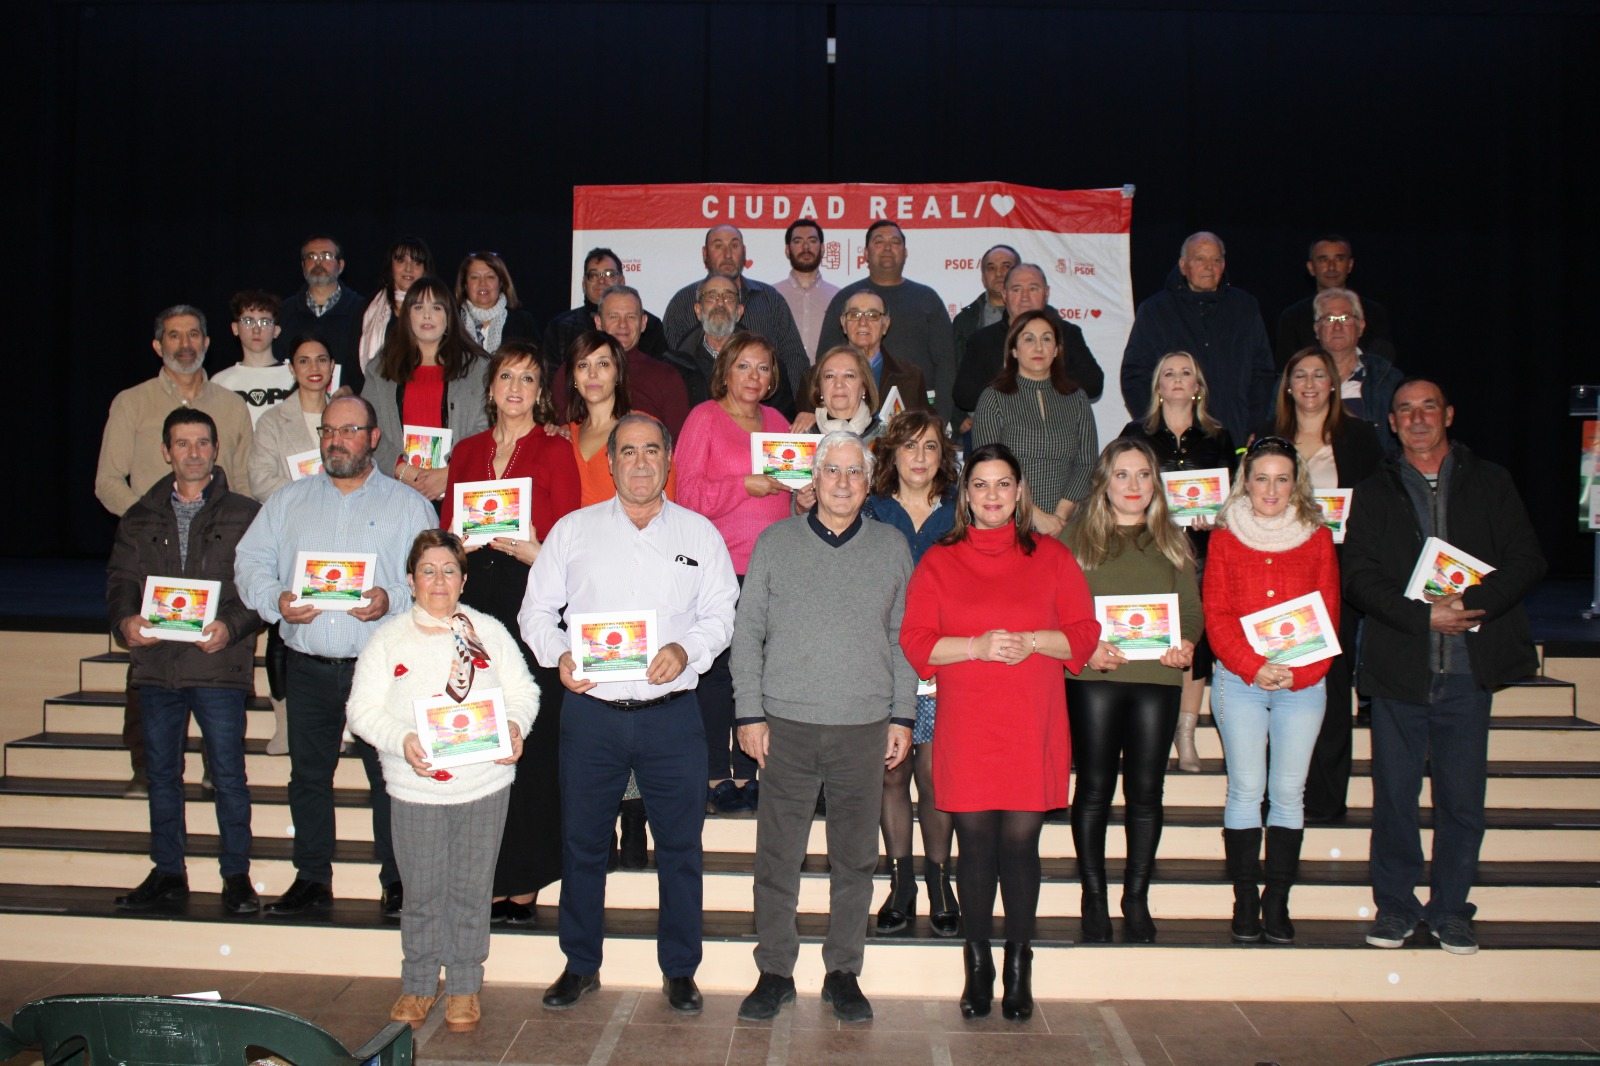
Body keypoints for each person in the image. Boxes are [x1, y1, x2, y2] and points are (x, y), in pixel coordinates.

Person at [520, 414, 738, 1015]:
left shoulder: (699, 535)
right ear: (609, 462)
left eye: (651, 451)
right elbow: (535, 612)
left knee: (680, 847)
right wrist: (559, 655)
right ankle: (580, 963)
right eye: (627, 452)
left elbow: (723, 613)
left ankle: (680, 970)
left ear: (669, 459)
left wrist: (686, 650)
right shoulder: (572, 531)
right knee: (583, 843)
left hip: (673, 717)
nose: (640, 463)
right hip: (592, 715)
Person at [1344, 379, 1545, 956]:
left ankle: (1453, 911)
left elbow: (1528, 558)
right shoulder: (1373, 490)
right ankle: (1396, 908)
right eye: (1405, 410)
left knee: (1461, 800)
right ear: (1391, 423)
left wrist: (1470, 606)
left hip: (1466, 670)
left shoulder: (1491, 481)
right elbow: (1358, 576)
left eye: (1428, 406)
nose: (1417, 418)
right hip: (1399, 669)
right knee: (1396, 798)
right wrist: (1421, 616)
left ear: (1449, 415)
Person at [900, 443, 1099, 1022]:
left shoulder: (1054, 557)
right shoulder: (940, 559)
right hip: (968, 724)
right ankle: (977, 961)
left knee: (1020, 844)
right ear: (966, 494)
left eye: (1003, 484)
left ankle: (1018, 963)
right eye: (980, 485)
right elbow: (916, 645)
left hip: (1030, 721)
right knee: (976, 846)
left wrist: (1033, 640)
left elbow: (1084, 636)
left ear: (1019, 491)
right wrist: (977, 647)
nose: (992, 495)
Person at [731, 431, 917, 1024]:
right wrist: (750, 712)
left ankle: (843, 971)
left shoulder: (892, 548)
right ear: (812, 480)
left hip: (864, 724)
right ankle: (775, 971)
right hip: (784, 723)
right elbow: (747, 635)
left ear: (869, 482)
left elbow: (902, 639)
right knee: (777, 854)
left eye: (854, 473)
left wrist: (902, 713)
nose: (842, 483)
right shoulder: (775, 543)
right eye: (831, 472)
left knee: (856, 856)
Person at [234, 395, 436, 918]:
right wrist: (275, 600)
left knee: (390, 777)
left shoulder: (408, 505)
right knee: (307, 778)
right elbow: (250, 561)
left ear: (373, 438)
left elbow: (433, 574)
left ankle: (398, 882)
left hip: (381, 670)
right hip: (308, 666)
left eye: (349, 431)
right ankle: (311, 878)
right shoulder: (287, 502)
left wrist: (392, 596)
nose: (336, 440)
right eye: (328, 431)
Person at [347, 530, 538, 1035]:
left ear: (464, 579)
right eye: (428, 571)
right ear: (410, 581)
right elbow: (361, 711)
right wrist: (402, 739)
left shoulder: (489, 632)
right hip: (417, 790)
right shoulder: (388, 639)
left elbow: (524, 692)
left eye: (449, 570)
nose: (439, 580)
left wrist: (515, 726)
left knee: (472, 892)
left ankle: (464, 986)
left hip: (484, 787)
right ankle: (417, 983)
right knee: (423, 892)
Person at [441, 340, 581, 924]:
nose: (517, 388)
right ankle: (483, 874)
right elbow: (445, 533)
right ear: (491, 388)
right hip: (472, 608)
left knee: (529, 743)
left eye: (529, 378)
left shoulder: (554, 450)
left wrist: (534, 551)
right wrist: (455, 545)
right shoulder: (467, 452)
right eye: (507, 378)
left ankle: (524, 879)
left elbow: (570, 545)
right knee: (479, 743)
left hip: (530, 605)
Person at [106, 408, 262, 916]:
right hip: (156, 667)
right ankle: (169, 871)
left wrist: (232, 627)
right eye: (182, 443)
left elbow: (261, 589)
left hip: (218, 667)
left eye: (201, 443)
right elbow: (121, 583)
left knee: (228, 775)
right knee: (162, 776)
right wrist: (127, 622)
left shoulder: (246, 514)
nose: (192, 453)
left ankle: (236, 876)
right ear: (166, 450)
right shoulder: (139, 515)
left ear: (216, 450)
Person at [95, 303, 254, 797]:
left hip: (216, 553)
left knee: (217, 663)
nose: (184, 344)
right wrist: (147, 529)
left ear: (207, 343)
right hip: (154, 558)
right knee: (148, 662)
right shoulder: (132, 402)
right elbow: (107, 482)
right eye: (173, 336)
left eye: (193, 335)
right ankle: (147, 770)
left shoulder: (230, 406)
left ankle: (215, 765)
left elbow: (244, 482)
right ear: (157, 346)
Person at [1062, 438, 1201, 943]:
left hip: (1157, 680)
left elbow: (1190, 610)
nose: (1134, 485)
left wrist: (1185, 643)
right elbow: (1059, 609)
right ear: (1105, 481)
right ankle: (1094, 896)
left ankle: (1135, 897)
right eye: (1123, 475)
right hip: (1094, 677)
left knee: (1146, 793)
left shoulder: (1172, 537)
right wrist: (1084, 650)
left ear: (1155, 483)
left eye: (1143, 475)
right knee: (1095, 789)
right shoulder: (1076, 538)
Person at [1204, 437, 1339, 945]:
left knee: (1286, 793)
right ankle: (1243, 900)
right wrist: (1252, 666)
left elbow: (1328, 614)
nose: (1271, 489)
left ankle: (1276, 901)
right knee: (1245, 789)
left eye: (1282, 478)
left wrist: (1298, 675)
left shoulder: (1318, 537)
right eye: (1262, 477)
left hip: (1302, 684)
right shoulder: (1224, 537)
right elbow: (1216, 615)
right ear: (1246, 481)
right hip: (1240, 681)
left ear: (1296, 484)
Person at [1262, 347, 1385, 823]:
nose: (1310, 383)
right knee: (1277, 685)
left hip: (1338, 576)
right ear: (1288, 386)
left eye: (1319, 374)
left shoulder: (1361, 438)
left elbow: (1376, 508)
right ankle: (1279, 795)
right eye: (1300, 376)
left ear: (1333, 383)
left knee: (1332, 687)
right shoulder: (1269, 438)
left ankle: (1328, 798)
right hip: (1278, 575)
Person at [675, 332, 795, 817]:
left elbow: (792, 492)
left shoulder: (779, 422)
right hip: (718, 568)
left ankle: (751, 771)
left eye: (763, 368)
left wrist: (801, 497)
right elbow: (685, 494)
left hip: (772, 571)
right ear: (725, 370)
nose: (754, 377)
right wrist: (744, 485)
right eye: (744, 366)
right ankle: (715, 772)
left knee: (762, 674)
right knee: (717, 672)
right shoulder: (704, 417)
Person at [862, 410, 960, 937]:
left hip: (946, 660)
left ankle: (940, 879)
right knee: (892, 772)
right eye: (909, 447)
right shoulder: (872, 511)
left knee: (935, 776)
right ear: (891, 455)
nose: (920, 458)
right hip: (887, 662)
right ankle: (902, 882)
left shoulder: (960, 511)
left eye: (930, 447)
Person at [1118, 351, 1236, 773]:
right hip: (1148, 548)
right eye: (1169, 373)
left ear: (1198, 384)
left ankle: (1185, 734)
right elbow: (1117, 484)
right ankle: (1142, 729)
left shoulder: (1219, 437)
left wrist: (1217, 514)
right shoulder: (1136, 432)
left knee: (1193, 638)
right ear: (1157, 386)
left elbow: (1235, 496)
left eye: (1186, 372)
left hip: (1202, 553)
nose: (1178, 379)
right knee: (1147, 631)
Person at [247, 336, 338, 755]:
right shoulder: (272, 421)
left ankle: (344, 720)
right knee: (284, 630)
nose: (313, 367)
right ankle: (285, 721)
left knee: (343, 620)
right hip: (293, 536)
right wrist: (306, 497)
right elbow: (260, 478)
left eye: (321, 359)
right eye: (304, 360)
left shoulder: (348, 412)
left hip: (344, 536)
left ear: (333, 366)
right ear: (292, 368)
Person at [1121, 232, 1276, 445]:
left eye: (1216, 259)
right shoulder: (1156, 310)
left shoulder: (1245, 308)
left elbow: (1263, 373)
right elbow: (1135, 375)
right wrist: (1155, 427)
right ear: (1183, 266)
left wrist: (1256, 426)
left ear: (1223, 265)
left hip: (1235, 435)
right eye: (1200, 259)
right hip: (1173, 440)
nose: (1209, 266)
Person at [971, 309, 1098, 537]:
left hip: (1069, 524)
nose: (1038, 347)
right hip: (1010, 524)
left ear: (1057, 350)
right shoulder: (994, 398)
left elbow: (1087, 464)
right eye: (1029, 339)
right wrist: (1036, 516)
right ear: (1014, 350)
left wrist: (1059, 517)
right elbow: (988, 468)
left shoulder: (1077, 398)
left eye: (1046, 339)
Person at [364, 276, 490, 506]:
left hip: (459, 489)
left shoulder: (478, 368)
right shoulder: (380, 369)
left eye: (437, 307)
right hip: (395, 489)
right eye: (418, 307)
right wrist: (403, 471)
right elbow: (369, 428)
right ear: (407, 315)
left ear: (449, 317)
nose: (427, 315)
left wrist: (450, 473)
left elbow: (486, 428)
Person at [816, 221, 958, 423]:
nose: (887, 247)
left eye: (895, 242)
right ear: (865, 252)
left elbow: (946, 362)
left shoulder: (927, 298)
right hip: (847, 416)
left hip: (913, 411)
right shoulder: (847, 298)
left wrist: (940, 419)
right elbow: (825, 359)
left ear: (905, 252)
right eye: (879, 241)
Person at [661, 224, 809, 401]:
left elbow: (794, 358)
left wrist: (780, 409)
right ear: (705, 254)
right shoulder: (683, 301)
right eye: (718, 246)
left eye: (734, 245)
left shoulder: (770, 300)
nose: (727, 254)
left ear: (744, 252)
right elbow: (668, 368)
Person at [953, 264, 1105, 425]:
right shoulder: (982, 339)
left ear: (1046, 293)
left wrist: (1045, 383)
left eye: (1033, 289)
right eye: (1017, 289)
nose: (1025, 297)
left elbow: (1093, 384)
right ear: (1004, 295)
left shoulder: (1067, 333)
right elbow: (964, 396)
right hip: (999, 430)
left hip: (1058, 428)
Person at [550, 286, 692, 435]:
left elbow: (681, 444)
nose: (622, 324)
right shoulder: (575, 371)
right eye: (613, 316)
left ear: (643, 323)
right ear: (598, 322)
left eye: (630, 316)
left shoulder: (666, 377)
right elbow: (560, 434)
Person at [563, 330, 678, 507]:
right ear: (574, 378)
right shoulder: (564, 435)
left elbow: (666, 506)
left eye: (603, 364)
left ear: (617, 373)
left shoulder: (646, 429)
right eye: (583, 365)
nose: (592, 374)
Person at [663, 275, 796, 419]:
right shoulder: (674, 366)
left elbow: (783, 424)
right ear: (698, 311)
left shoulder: (766, 363)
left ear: (739, 312)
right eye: (711, 297)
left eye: (728, 298)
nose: (720, 303)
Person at [801, 289, 932, 417]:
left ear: (885, 325)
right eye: (854, 315)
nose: (863, 322)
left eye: (873, 316)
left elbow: (925, 428)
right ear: (843, 323)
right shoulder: (814, 377)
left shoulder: (910, 377)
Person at [1275, 236, 1394, 368]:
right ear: (1311, 267)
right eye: (1323, 259)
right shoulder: (1292, 317)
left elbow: (1382, 367)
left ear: (1350, 265)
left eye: (1339, 259)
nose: (1331, 267)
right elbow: (1285, 370)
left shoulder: (1374, 313)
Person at [542, 247, 668, 371]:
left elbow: (660, 375)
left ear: (622, 281)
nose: (601, 280)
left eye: (609, 274)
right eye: (594, 275)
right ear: (584, 284)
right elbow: (551, 378)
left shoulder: (651, 326)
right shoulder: (560, 327)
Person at [1311, 288, 1403, 451]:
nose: (1337, 327)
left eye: (1345, 318)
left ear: (1361, 326)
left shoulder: (1386, 379)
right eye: (1330, 318)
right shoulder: (1296, 379)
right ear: (1317, 329)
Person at [276, 233, 366, 393]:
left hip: (346, 407)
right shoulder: (284, 312)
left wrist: (351, 389)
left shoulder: (362, 310)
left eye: (326, 255)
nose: (318, 262)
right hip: (294, 407)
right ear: (303, 265)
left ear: (341, 265)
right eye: (311, 256)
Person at [212, 290, 294, 426]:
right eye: (248, 321)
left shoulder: (294, 376)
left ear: (276, 331)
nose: (256, 330)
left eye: (265, 322)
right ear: (235, 328)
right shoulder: (220, 382)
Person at [358, 236, 434, 373]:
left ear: (425, 270)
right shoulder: (368, 307)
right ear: (390, 266)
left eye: (416, 262)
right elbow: (352, 361)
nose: (408, 268)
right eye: (401, 260)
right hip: (375, 389)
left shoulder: (438, 308)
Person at [769, 219, 839, 364]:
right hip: (782, 382)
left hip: (827, 381)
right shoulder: (771, 295)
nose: (806, 247)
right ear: (787, 250)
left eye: (812, 241)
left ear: (823, 249)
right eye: (798, 241)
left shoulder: (839, 297)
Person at [791, 345, 886, 446]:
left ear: (864, 387)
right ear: (820, 388)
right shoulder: (801, 439)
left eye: (849, 375)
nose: (839, 384)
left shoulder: (887, 438)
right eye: (830, 376)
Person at [455, 251, 539, 356]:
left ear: (501, 283)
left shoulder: (523, 322)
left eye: (490, 277)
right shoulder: (451, 321)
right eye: (475, 277)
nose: (482, 283)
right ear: (465, 285)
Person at [951, 244, 1018, 363]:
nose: (999, 273)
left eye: (1006, 267)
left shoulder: (1040, 315)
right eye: (991, 268)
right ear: (983, 278)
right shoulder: (963, 322)